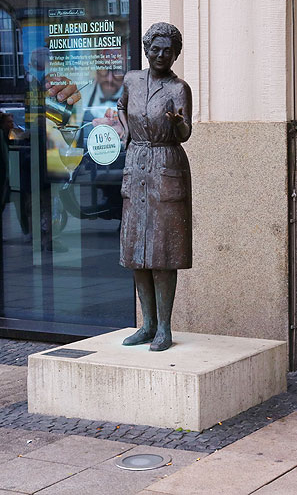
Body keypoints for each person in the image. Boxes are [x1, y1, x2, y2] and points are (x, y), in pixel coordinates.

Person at [117, 22, 192, 352]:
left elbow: (186, 132)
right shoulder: (132, 80)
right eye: (155, 48)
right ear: (146, 49)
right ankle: (146, 325)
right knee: (136, 251)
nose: (161, 55)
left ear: (176, 54)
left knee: (163, 251)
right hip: (136, 165)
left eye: (168, 50)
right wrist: (124, 133)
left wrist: (177, 122)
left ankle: (164, 327)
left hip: (166, 164)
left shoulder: (179, 88)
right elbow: (120, 107)